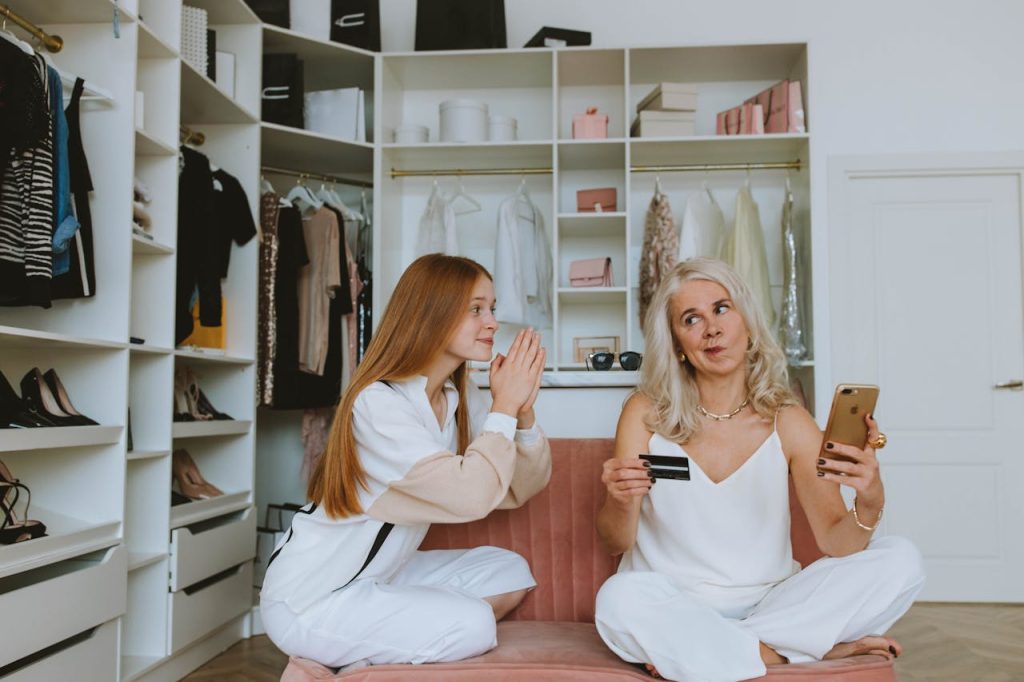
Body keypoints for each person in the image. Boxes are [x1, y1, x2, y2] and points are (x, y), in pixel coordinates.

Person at [594, 258, 925, 682]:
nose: (711, 328)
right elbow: (614, 541)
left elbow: (836, 542)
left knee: (902, 559)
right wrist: (620, 500)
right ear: (677, 341)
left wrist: (871, 499)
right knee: (618, 598)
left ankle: (722, 651)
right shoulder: (644, 413)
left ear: (746, 321)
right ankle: (789, 651)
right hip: (674, 601)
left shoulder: (787, 419)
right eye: (691, 319)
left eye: (722, 309)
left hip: (774, 603)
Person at [260, 253, 551, 670]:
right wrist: (503, 405)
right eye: (475, 309)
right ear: (431, 314)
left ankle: (386, 637)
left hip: (383, 574)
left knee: (510, 572)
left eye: (491, 309)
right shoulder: (378, 403)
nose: (492, 322)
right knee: (475, 624)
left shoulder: (451, 401)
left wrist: (520, 413)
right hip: (313, 597)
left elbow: (513, 488)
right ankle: (360, 648)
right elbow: (471, 496)